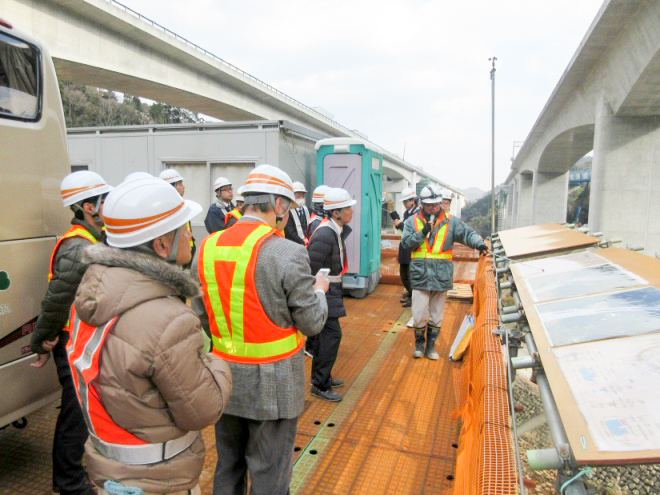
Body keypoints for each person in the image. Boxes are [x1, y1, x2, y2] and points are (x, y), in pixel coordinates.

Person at [66, 177, 232, 494]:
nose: (189, 235)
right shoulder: (167, 319)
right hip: (159, 478)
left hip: (109, 466)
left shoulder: (91, 294)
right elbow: (204, 409)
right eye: (183, 228)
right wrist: (216, 363)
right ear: (160, 245)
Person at [194, 164, 329, 495]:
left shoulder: (208, 246)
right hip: (275, 384)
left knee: (228, 466)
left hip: (223, 377)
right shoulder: (287, 252)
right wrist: (321, 291)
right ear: (279, 206)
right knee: (269, 474)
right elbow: (311, 322)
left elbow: (203, 315)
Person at [30, 170, 113, 495]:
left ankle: (78, 475)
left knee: (84, 412)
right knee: (75, 415)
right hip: (71, 342)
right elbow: (57, 299)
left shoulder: (94, 240)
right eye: (104, 201)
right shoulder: (77, 247)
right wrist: (42, 340)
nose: (109, 206)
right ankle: (68, 485)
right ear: (89, 208)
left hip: (84, 339)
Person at [401, 185, 487, 360]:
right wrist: (423, 232)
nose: (434, 208)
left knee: (437, 314)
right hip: (420, 274)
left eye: (437, 204)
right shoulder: (412, 222)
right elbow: (406, 244)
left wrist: (480, 244)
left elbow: (468, 234)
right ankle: (419, 345)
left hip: (441, 275)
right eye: (429, 205)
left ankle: (431, 347)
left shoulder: (451, 221)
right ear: (422, 204)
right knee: (418, 314)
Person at [307, 187, 355, 402]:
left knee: (324, 337)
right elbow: (311, 266)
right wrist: (316, 293)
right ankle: (320, 383)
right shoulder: (326, 233)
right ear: (336, 213)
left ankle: (322, 376)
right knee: (330, 336)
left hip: (330, 290)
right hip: (325, 291)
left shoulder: (333, 230)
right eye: (347, 208)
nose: (351, 212)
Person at [159, 168, 196, 263]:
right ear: (171, 186)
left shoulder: (180, 206)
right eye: (180, 183)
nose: (183, 187)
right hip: (173, 257)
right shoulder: (165, 209)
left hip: (185, 252)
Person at [393, 187, 420, 308]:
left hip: (412, 248)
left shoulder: (418, 214)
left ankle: (414, 298)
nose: (404, 204)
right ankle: (410, 295)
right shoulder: (407, 213)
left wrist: (401, 224)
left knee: (410, 275)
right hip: (405, 246)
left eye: (405, 202)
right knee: (404, 274)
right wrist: (399, 224)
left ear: (412, 201)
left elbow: (414, 231)